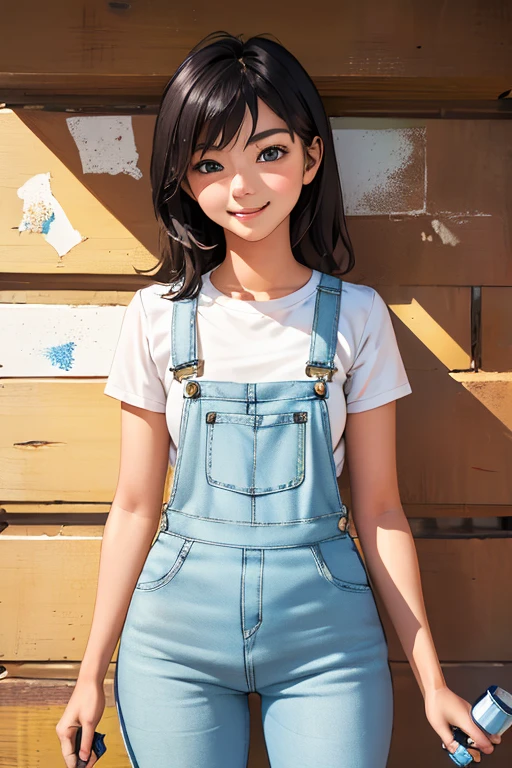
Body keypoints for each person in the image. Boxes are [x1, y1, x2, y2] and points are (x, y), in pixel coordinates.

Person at [56, 30, 501, 768]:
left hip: (329, 642)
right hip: (173, 647)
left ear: (312, 156)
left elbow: (380, 508)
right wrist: (88, 674)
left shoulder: (358, 316)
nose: (242, 187)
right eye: (210, 163)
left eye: (268, 152)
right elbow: (134, 504)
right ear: (185, 179)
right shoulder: (157, 316)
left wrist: (430, 680)